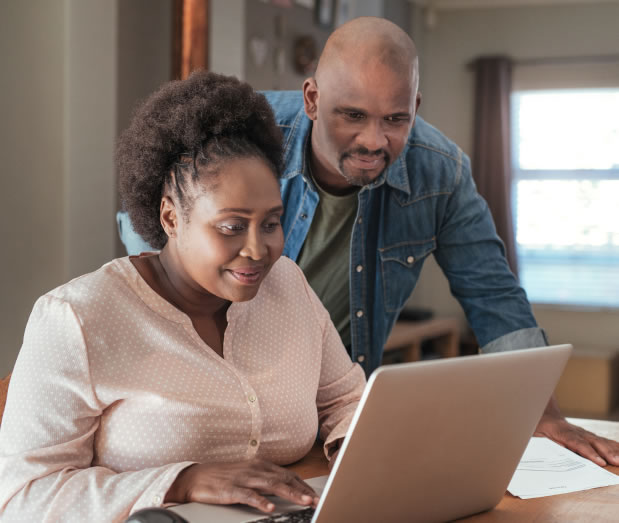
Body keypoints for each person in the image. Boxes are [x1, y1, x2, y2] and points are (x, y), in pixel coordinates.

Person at [117, 18, 619, 467]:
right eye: (352, 115)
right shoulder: (244, 140)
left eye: (395, 119)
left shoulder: (441, 173)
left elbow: (494, 297)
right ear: (312, 99)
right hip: (220, 398)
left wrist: (544, 415)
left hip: (338, 408)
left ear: (415, 108)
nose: (374, 141)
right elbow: (152, 240)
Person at [0, 71, 365, 522]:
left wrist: (362, 455)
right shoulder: (76, 319)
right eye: (232, 227)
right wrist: (182, 480)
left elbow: (346, 400)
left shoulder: (287, 285)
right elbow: (22, 499)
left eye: (271, 223)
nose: (258, 249)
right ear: (171, 217)